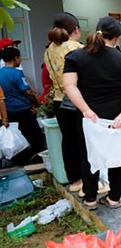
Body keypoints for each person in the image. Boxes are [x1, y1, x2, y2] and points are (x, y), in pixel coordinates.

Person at [62, 16, 121, 210]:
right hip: (116, 113)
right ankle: (114, 198)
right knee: (117, 156)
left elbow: (69, 86)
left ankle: (90, 199)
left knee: (88, 155)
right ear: (117, 37)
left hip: (89, 115)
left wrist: (86, 110)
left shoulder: (75, 57)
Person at [44, 12, 84, 188]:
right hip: (76, 99)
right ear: (75, 29)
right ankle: (88, 179)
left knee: (68, 140)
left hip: (59, 101)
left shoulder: (48, 50)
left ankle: (74, 179)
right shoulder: (76, 48)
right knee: (83, 140)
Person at [0, 47, 44, 165]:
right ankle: (36, 160)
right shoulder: (17, 73)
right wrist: (37, 103)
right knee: (34, 136)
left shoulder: (0, 73)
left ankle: (19, 160)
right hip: (23, 109)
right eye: (19, 57)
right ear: (15, 58)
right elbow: (27, 92)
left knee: (18, 136)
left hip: (9, 111)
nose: (20, 59)